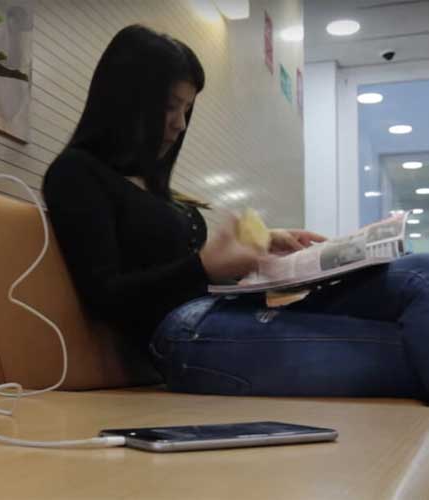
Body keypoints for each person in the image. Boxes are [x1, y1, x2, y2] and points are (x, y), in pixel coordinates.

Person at [42, 25, 429, 401]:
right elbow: (104, 295)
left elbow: (176, 268)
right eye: (168, 107)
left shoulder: (153, 186)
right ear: (124, 102)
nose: (179, 124)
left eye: (187, 109)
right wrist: (205, 267)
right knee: (402, 347)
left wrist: (257, 248)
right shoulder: (76, 173)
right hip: (183, 336)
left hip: (225, 310)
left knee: (420, 270)